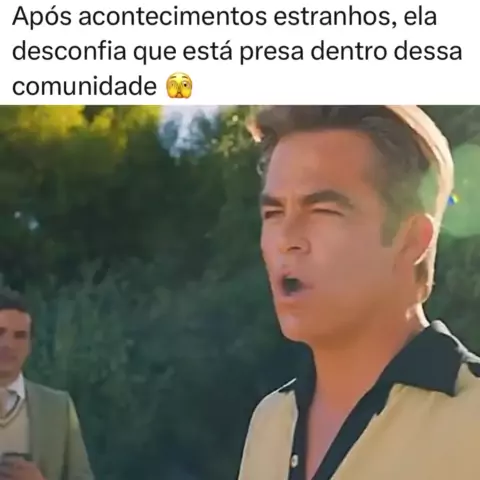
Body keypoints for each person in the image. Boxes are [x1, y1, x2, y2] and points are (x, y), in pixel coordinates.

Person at [237, 106, 480, 480]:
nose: (287, 239)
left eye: (323, 210)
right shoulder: (270, 423)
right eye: (273, 213)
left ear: (410, 240)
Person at [0, 289, 94, 480]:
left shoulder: (58, 408)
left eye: (19, 336)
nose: (8, 344)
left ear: (30, 345)